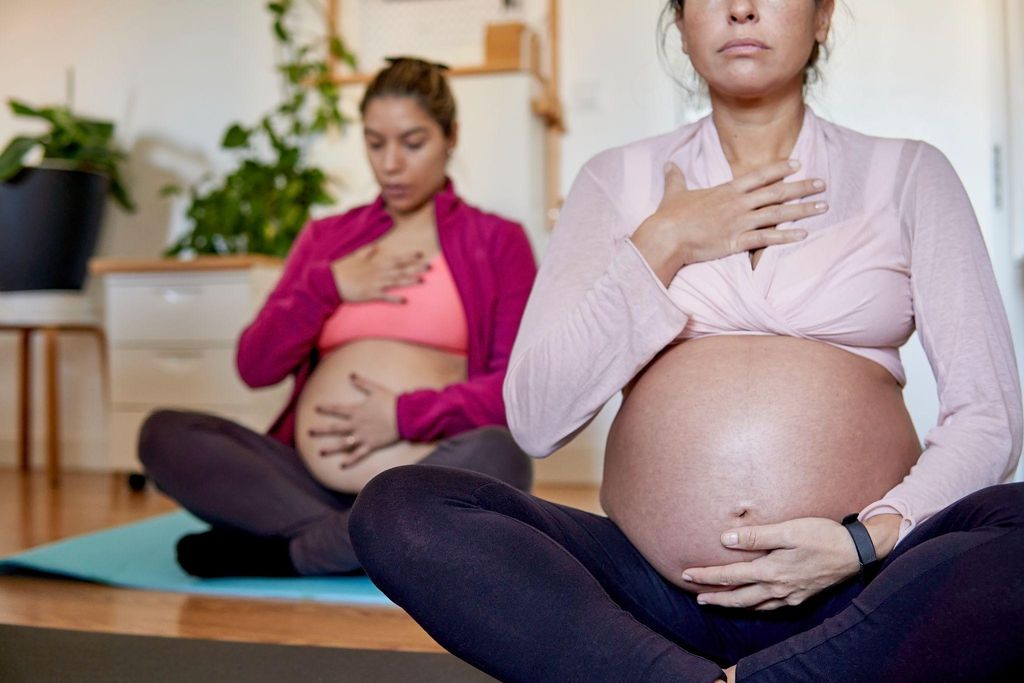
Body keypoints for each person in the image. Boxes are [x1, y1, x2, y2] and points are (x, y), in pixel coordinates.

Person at [348, 3, 1024, 681]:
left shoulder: (908, 174)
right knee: (400, 507)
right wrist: (662, 245)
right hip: (649, 597)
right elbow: (535, 418)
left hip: (862, 592)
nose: (741, 8)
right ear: (679, 21)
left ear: (822, 16)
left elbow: (988, 415)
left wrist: (864, 538)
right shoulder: (616, 182)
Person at [138, 57, 536, 578]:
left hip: (424, 476)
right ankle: (373, 539)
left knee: (501, 456)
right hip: (306, 478)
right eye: (375, 143)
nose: (391, 164)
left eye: (412, 143)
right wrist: (329, 285)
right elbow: (254, 366)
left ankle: (294, 554)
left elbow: (514, 391)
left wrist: (400, 416)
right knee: (163, 435)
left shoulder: (497, 242)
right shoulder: (327, 241)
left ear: (450, 137)